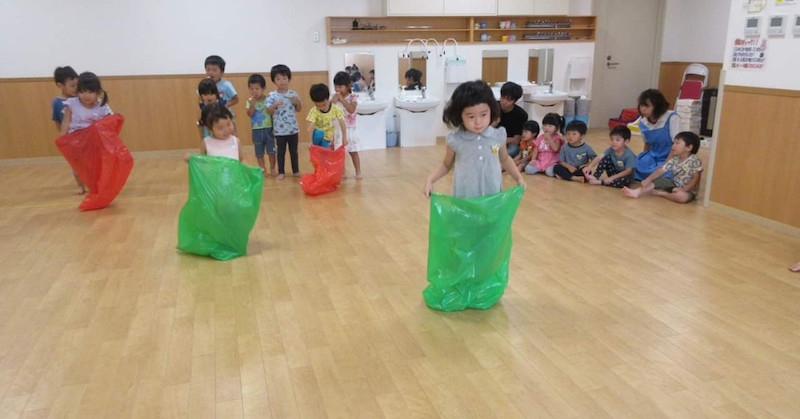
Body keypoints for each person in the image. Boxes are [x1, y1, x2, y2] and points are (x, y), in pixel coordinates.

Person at [424, 80, 525, 199]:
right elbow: (446, 165)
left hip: (491, 195)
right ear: (459, 115)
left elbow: (505, 159)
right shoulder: (456, 140)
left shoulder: (497, 136)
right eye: (471, 116)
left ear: (491, 111)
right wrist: (430, 180)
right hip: (465, 197)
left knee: (490, 218)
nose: (478, 122)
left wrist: (519, 178)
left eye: (483, 115)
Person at [59, 72, 114, 195]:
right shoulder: (71, 103)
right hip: (76, 140)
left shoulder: (101, 106)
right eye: (82, 92)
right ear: (77, 91)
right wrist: (62, 138)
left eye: (90, 92)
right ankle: (80, 186)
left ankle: (97, 184)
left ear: (97, 92)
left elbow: (109, 123)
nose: (86, 95)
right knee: (77, 166)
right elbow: (66, 121)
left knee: (96, 165)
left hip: (94, 141)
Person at [623, 131, 702, 203]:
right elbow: (661, 170)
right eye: (673, 143)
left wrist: (684, 189)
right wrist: (648, 179)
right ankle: (638, 192)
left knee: (682, 197)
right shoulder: (675, 159)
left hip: (688, 190)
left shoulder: (694, 160)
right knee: (659, 181)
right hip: (674, 183)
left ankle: (662, 193)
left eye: (677, 143)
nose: (673, 146)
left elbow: (696, 178)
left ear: (689, 148)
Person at [265, 64, 302, 179]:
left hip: (293, 129)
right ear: (274, 81)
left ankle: (296, 170)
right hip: (280, 131)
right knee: (280, 152)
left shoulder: (293, 94)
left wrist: (297, 102)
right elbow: (269, 111)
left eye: (284, 78)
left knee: (294, 152)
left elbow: (299, 109)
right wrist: (275, 104)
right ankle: (281, 172)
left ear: (289, 79)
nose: (281, 81)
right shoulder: (272, 96)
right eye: (278, 79)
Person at [634, 89, 681, 180]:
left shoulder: (672, 117)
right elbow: (647, 144)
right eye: (641, 105)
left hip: (671, 156)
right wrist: (643, 158)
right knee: (634, 165)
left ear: (657, 106)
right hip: (653, 155)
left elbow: (677, 145)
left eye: (647, 106)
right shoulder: (643, 122)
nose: (643, 109)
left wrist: (666, 164)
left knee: (668, 172)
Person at [332, 71, 363, 179]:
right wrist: (333, 102)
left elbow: (351, 109)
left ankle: (358, 171)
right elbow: (329, 111)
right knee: (340, 153)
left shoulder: (353, 96)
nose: (337, 89)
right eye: (336, 86)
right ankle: (343, 172)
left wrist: (342, 99)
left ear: (348, 85)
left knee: (353, 151)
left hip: (350, 129)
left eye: (340, 86)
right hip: (339, 129)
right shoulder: (335, 97)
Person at [245, 74, 275, 176]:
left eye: (257, 88)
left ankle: (273, 168)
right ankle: (263, 169)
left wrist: (274, 128)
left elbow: (272, 113)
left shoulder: (269, 99)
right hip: (256, 130)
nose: (254, 91)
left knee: (271, 151)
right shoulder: (249, 101)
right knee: (259, 152)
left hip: (269, 129)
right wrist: (252, 104)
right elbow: (250, 114)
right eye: (252, 89)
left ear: (263, 88)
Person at [306, 83, 347, 150]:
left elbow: (342, 122)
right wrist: (310, 142)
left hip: (327, 138)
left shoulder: (335, 109)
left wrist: (344, 137)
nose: (321, 108)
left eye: (324, 104)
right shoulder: (314, 111)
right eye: (318, 105)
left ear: (328, 99)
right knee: (319, 133)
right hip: (317, 137)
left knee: (326, 153)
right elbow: (309, 129)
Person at [523, 112, 564, 177]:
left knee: (549, 172)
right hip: (540, 160)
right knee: (528, 169)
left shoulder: (557, 138)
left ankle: (546, 170)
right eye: (544, 125)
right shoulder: (540, 137)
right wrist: (533, 159)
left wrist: (549, 139)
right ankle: (541, 169)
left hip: (552, 162)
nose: (546, 128)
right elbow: (536, 150)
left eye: (550, 126)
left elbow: (556, 149)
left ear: (556, 128)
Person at [495, 82, 528, 158]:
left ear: (515, 101)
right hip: (492, 141)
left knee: (513, 149)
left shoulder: (521, 115)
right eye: (502, 97)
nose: (504, 102)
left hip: (508, 143)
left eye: (508, 100)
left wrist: (499, 141)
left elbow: (516, 140)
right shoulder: (493, 107)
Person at [52, 66, 78, 132]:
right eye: (72, 86)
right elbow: (57, 122)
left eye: (78, 85)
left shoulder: (81, 98)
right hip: (69, 137)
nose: (76, 88)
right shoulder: (57, 102)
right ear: (60, 85)